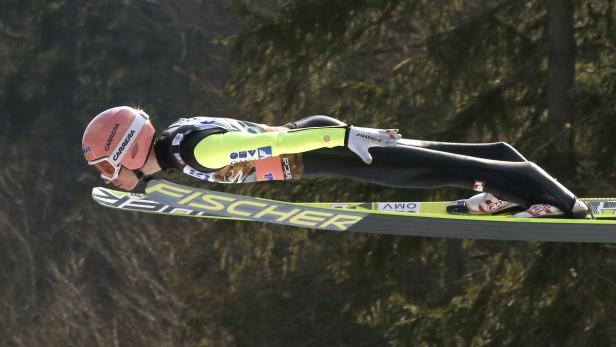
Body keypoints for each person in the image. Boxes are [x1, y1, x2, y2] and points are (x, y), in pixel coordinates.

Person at [81, 106, 589, 218]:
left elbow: (278, 148)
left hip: (328, 149)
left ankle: (558, 201)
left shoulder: (195, 151)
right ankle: (505, 173)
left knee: (429, 168)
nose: (109, 176)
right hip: (320, 143)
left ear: (127, 151)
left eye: (108, 166)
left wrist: (346, 135)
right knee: (438, 160)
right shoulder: (174, 142)